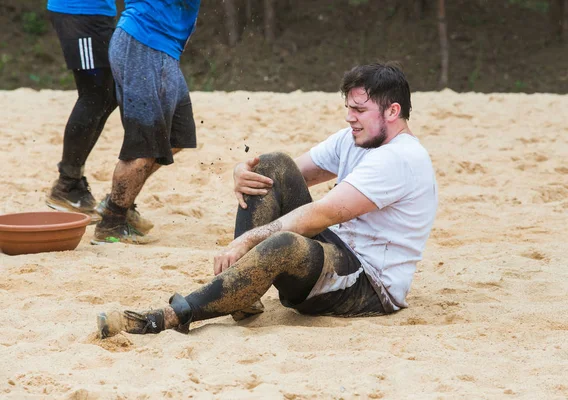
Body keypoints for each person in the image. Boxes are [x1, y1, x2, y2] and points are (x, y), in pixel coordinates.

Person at [97, 62, 438, 338]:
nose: (350, 117)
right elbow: (286, 173)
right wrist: (240, 171)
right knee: (271, 165)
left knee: (283, 243)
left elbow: (321, 214)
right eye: (348, 108)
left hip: (368, 287)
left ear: (392, 112)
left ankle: (168, 317)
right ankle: (244, 297)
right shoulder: (355, 138)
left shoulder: (401, 159)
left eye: (360, 110)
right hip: (338, 252)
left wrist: (247, 240)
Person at [91, 0, 202, 245]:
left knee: (177, 137)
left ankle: (116, 202)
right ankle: (112, 223)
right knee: (143, 147)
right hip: (143, 44)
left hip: (162, 49)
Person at [45, 0, 118, 220]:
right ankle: (67, 184)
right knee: (94, 94)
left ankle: (71, 181)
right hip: (81, 12)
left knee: (110, 95)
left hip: (96, 13)